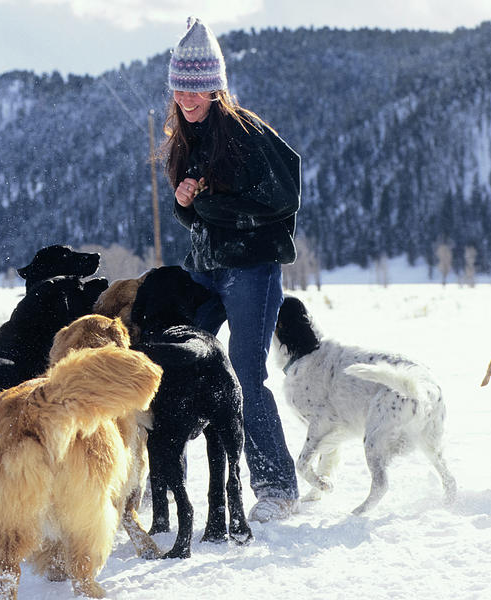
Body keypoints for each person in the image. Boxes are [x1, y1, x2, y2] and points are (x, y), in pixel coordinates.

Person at [162, 16, 302, 522]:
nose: (186, 99)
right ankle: (164, 488)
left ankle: (278, 488)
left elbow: (285, 196)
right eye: (179, 88)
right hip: (205, 269)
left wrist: (209, 205)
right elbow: (195, 213)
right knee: (173, 362)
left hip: (250, 272)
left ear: (216, 87)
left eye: (195, 89)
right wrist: (183, 202)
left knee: (244, 374)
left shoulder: (246, 131)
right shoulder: (186, 137)